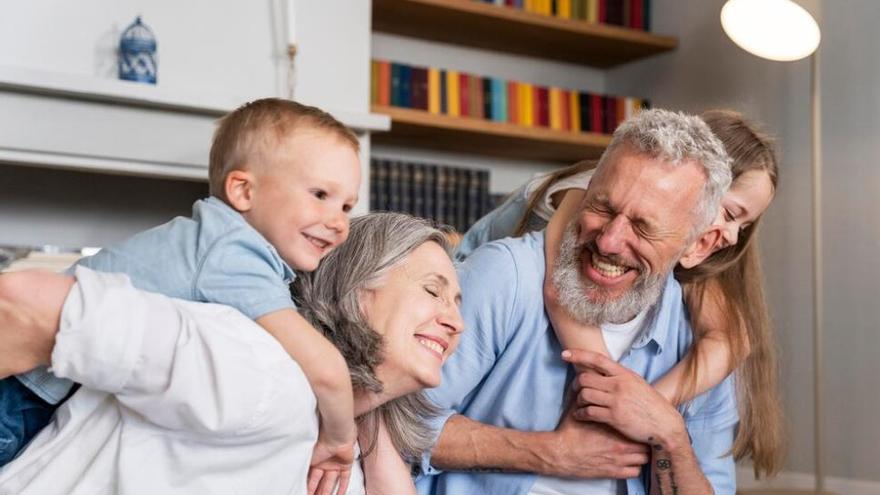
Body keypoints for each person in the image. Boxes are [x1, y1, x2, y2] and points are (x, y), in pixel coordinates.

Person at [0, 98, 362, 483]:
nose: (339, 223)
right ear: (243, 192)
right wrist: (340, 440)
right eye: (321, 195)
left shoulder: (213, 241)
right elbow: (325, 369)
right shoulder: (234, 253)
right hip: (22, 390)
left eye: (347, 206)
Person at [0, 212, 464, 495]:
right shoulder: (252, 364)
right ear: (357, 292)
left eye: (458, 304)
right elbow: (25, 302)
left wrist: (368, 417)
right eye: (433, 292)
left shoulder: (344, 457)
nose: (455, 321)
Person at [415, 109, 739, 495]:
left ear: (699, 246)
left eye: (642, 227)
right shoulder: (506, 276)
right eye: (602, 207)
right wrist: (549, 454)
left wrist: (670, 435)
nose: (608, 242)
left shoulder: (697, 343)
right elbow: (391, 420)